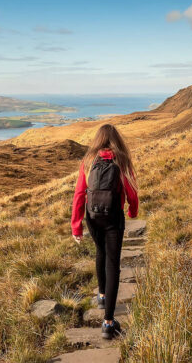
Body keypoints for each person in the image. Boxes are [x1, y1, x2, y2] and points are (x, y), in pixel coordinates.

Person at [71, 124, 139, 340]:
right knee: (113, 264)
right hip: (113, 218)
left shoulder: (89, 160)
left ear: (98, 139)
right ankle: (108, 323)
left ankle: (101, 296)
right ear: (116, 139)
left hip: (93, 217)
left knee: (100, 252)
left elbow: (80, 194)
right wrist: (132, 210)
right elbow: (132, 191)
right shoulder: (121, 159)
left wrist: (76, 226)